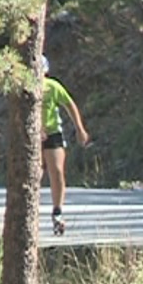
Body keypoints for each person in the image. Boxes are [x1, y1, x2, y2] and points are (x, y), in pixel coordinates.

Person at [40, 55, 90, 235]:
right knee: (34, 173)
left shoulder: (52, 87)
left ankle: (57, 211)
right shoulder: (25, 87)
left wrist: (80, 129)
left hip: (53, 132)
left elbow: (69, 104)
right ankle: (28, 210)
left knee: (57, 170)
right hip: (32, 136)